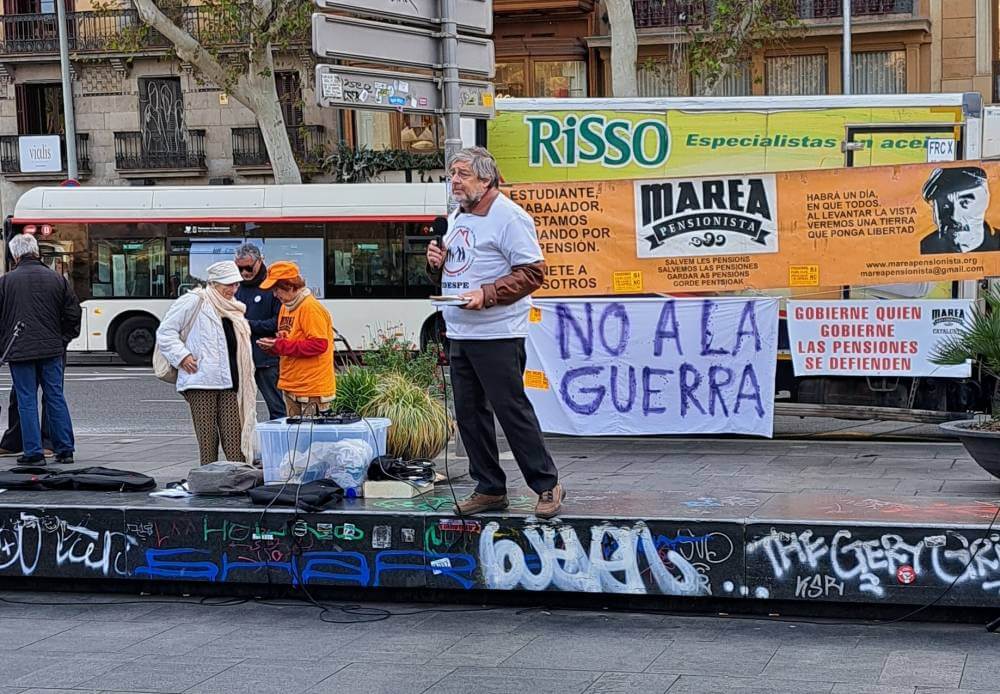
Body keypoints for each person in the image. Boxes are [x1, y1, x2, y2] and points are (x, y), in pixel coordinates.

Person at [426, 146, 564, 519]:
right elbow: (461, 270)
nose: (454, 180)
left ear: (486, 179)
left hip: (498, 332)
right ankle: (489, 487)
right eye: (452, 174)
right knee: (469, 415)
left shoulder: (509, 217)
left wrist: (487, 294)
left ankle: (546, 484)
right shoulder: (457, 217)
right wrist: (436, 264)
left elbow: (533, 273)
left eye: (462, 174)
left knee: (510, 410)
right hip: (460, 330)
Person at [156, 261, 257, 465]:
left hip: (230, 380)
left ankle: (237, 477)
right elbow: (165, 332)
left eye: (236, 284)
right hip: (200, 379)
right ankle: (209, 480)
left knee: (234, 435)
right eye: (228, 284)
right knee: (207, 438)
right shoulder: (194, 301)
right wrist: (182, 356)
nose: (233, 289)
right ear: (214, 283)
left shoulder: (234, 308)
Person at [0, 233, 80, 465]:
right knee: (55, 396)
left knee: (26, 399)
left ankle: (33, 453)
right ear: (36, 252)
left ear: (15, 255)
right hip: (52, 350)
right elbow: (73, 314)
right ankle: (65, 449)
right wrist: (63, 338)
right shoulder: (57, 279)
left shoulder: (5, 282)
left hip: (19, 349)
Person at [256, 261, 336, 417]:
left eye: (276, 289)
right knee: (296, 439)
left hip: (311, 389)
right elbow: (289, 338)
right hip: (292, 384)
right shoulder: (286, 307)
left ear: (290, 286)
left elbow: (318, 345)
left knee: (311, 439)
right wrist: (275, 344)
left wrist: (280, 345)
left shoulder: (310, 307)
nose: (274, 294)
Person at [234, 243, 286, 421]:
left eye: (248, 268)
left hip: (266, 359)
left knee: (277, 407)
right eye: (239, 268)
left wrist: (247, 325)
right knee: (239, 407)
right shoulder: (236, 286)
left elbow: (278, 322)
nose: (244, 273)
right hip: (241, 356)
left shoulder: (272, 285)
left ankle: (281, 442)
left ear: (259, 261)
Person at [920, 166, 1000, 254]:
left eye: (965, 202)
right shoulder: (925, 247)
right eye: (944, 206)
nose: (955, 217)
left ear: (985, 201)